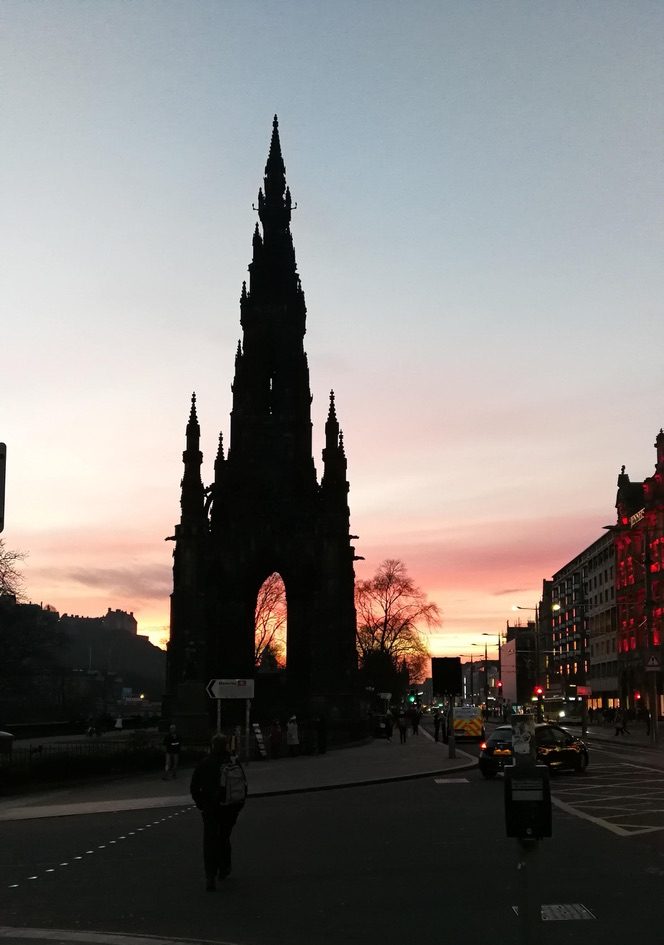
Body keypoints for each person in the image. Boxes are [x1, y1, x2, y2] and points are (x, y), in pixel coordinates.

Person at [190, 733, 247, 891]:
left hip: (210, 808)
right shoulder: (233, 762)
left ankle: (210, 875)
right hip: (230, 808)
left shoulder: (205, 763)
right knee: (224, 837)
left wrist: (201, 804)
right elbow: (243, 785)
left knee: (210, 841)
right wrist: (238, 806)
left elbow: (194, 787)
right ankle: (224, 867)